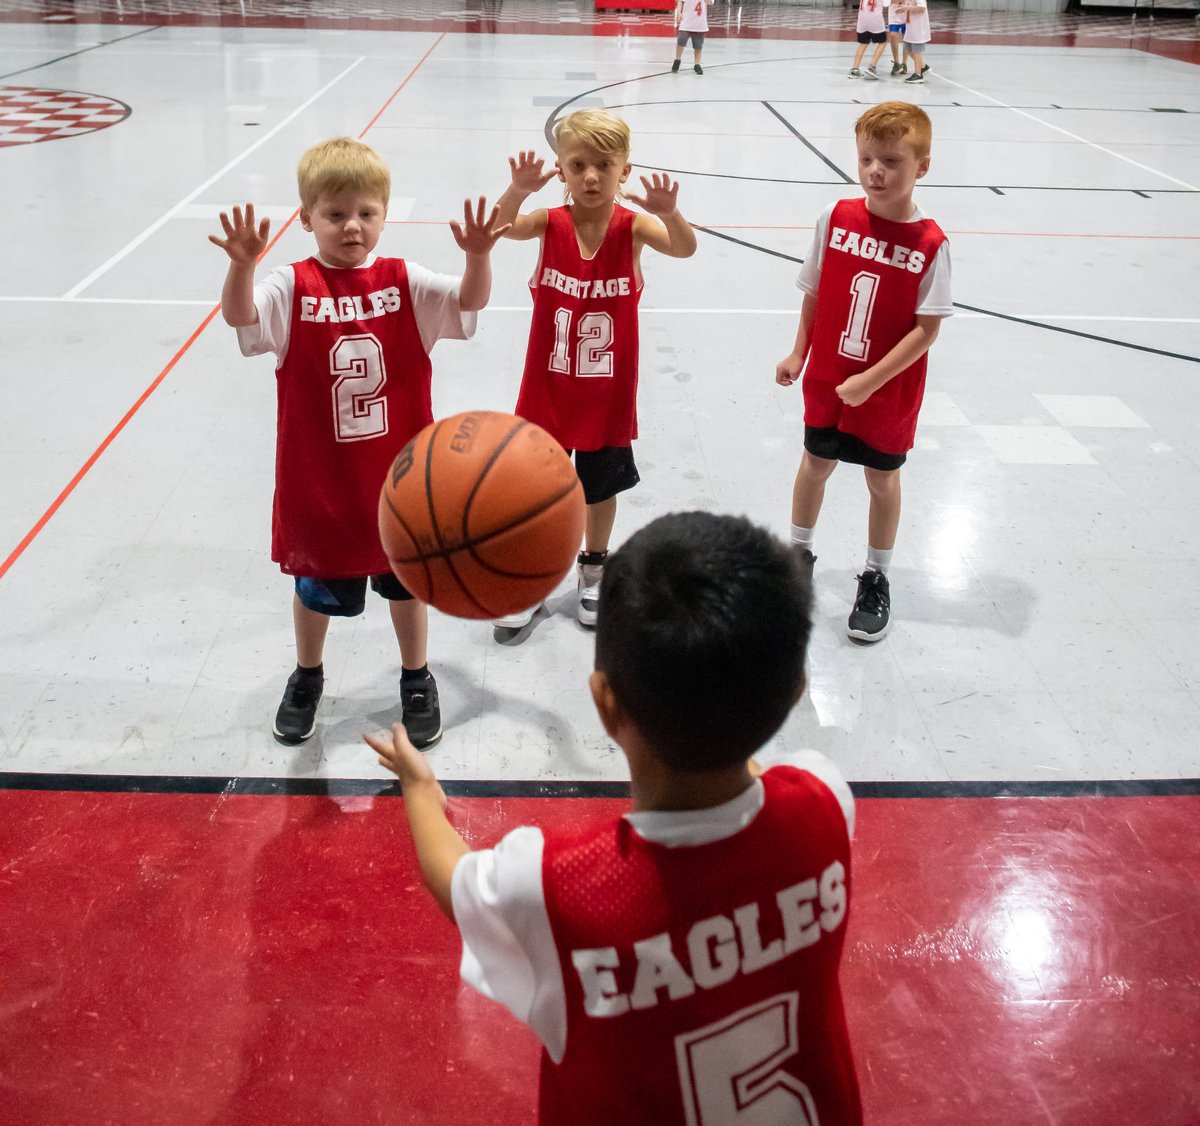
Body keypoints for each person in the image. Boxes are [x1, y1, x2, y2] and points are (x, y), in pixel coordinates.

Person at [365, 511, 862, 1125]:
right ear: (794, 693)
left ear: (604, 703)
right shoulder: (825, 801)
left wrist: (419, 787)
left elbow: (453, 880)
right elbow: (756, 769)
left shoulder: (557, 891)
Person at [210, 137, 509, 747]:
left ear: (385, 213)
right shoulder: (292, 285)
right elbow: (241, 318)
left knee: (407, 587)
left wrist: (478, 257)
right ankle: (308, 675)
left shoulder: (406, 279)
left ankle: (416, 677)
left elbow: (468, 303)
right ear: (306, 218)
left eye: (366, 213)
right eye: (335, 214)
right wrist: (241, 265)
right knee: (314, 588)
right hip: (322, 483)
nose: (352, 226)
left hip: (399, 484)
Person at [490, 109, 697, 631]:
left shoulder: (634, 229)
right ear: (559, 168)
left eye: (604, 165)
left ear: (624, 171)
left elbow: (685, 248)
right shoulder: (548, 224)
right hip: (548, 391)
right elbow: (500, 225)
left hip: (606, 397)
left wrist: (671, 213)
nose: (590, 176)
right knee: (541, 491)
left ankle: (594, 568)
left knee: (599, 490)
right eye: (578, 164)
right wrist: (517, 189)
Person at [775, 102, 953, 642]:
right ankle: (797, 555)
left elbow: (927, 330)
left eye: (892, 161)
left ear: (922, 166)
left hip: (887, 393)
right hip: (828, 378)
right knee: (815, 464)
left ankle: (876, 576)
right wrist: (798, 352)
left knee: (882, 479)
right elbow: (814, 291)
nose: (877, 170)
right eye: (867, 158)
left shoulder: (931, 244)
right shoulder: (836, 217)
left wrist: (872, 380)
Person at [848, 0, 887, 80]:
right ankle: (872, 67)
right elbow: (886, 4)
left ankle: (855, 69)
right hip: (875, 18)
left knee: (863, 43)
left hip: (862, 19)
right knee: (882, 43)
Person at [672, 0, 712, 75]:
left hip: (699, 22)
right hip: (686, 20)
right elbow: (680, 1)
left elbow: (710, 2)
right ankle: (677, 60)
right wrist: (679, 12)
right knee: (681, 40)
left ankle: (697, 64)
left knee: (698, 45)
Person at [899, 0, 932, 83]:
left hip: (918, 27)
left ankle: (918, 75)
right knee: (907, 48)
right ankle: (923, 67)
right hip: (911, 26)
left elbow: (922, 8)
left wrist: (906, 7)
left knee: (916, 51)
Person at [886, 0, 908, 76]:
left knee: (906, 37)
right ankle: (896, 63)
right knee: (893, 35)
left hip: (906, 11)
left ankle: (904, 63)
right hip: (894, 13)